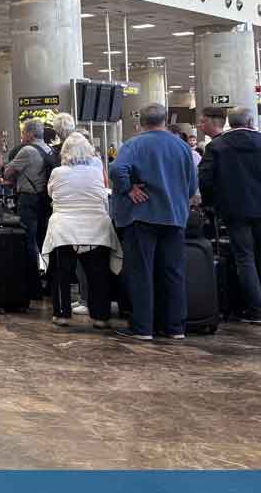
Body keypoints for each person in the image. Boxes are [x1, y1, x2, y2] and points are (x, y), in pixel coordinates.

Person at [110, 103, 199, 341]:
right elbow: (191, 184)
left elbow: (118, 169)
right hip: (174, 216)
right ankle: (174, 327)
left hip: (143, 215)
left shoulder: (134, 144)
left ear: (141, 122)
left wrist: (128, 189)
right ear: (165, 121)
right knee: (173, 272)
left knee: (142, 272)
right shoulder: (182, 146)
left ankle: (142, 327)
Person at [41, 133, 120, 328]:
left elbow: (51, 193)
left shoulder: (58, 173)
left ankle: (62, 314)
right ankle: (100, 316)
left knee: (62, 274)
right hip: (96, 229)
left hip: (64, 229)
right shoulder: (95, 172)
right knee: (98, 274)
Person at [199, 107, 261, 324]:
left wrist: (209, 204)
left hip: (235, 210)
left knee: (245, 258)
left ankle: (255, 308)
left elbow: (205, 179)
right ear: (251, 121)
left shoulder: (217, 146)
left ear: (229, 123)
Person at [3, 119, 54, 272]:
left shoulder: (27, 151)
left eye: (24, 132)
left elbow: (8, 173)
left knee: (29, 239)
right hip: (45, 199)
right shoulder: (49, 150)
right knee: (43, 238)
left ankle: (34, 280)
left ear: (30, 134)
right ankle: (47, 274)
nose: (22, 136)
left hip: (28, 199)